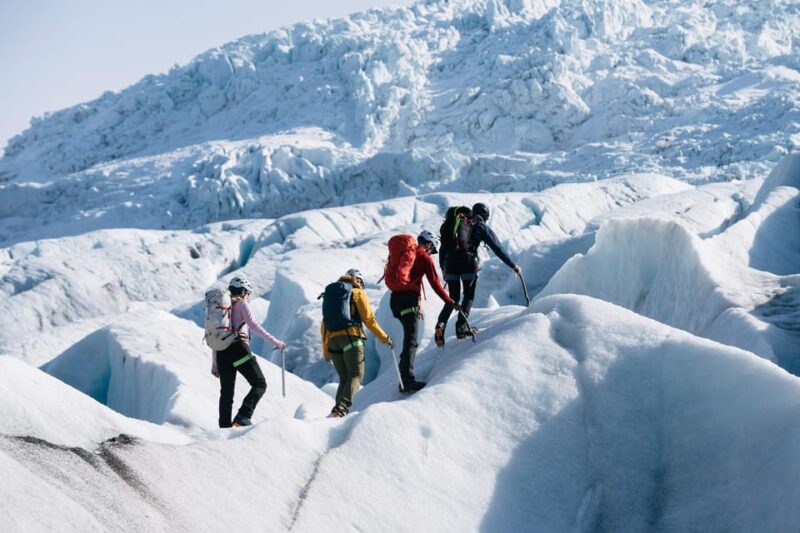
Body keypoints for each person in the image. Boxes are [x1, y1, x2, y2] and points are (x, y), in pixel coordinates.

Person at [435, 202, 521, 346]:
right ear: (485, 215)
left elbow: (443, 249)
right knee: (468, 295)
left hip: (450, 264)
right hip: (468, 263)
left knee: (452, 298)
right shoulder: (479, 225)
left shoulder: (453, 225)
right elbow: (497, 248)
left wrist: (444, 268)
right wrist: (513, 265)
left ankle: (440, 325)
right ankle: (461, 327)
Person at [211, 276, 286, 428]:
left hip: (222, 354)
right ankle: (243, 416)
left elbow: (215, 336)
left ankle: (224, 427)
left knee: (226, 393)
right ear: (244, 292)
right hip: (238, 349)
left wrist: (215, 363)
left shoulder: (221, 308)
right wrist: (276, 342)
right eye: (248, 293)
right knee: (260, 383)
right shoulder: (241, 304)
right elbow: (254, 326)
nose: (248, 297)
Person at [389, 231, 457, 392]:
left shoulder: (404, 254)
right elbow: (435, 284)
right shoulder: (423, 258)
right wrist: (450, 301)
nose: (431, 253)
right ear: (428, 244)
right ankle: (406, 379)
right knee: (411, 340)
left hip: (395, 301)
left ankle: (404, 372)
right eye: (432, 249)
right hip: (408, 301)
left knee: (409, 338)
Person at [321, 268, 393, 417]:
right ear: (358, 280)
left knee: (344, 378)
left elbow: (324, 325)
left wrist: (326, 351)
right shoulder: (358, 293)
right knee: (355, 376)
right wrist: (385, 338)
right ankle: (341, 408)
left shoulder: (331, 295)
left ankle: (337, 410)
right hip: (351, 338)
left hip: (333, 341)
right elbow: (369, 320)